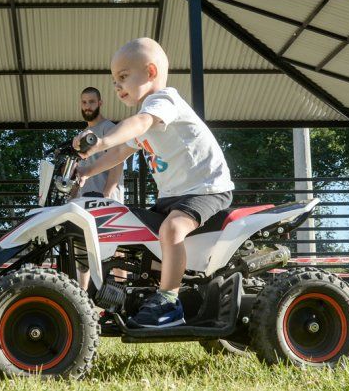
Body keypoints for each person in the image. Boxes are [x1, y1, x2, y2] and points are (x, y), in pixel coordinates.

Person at [74, 37, 234, 328]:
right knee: (133, 230)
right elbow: (121, 152)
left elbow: (138, 126)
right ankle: (131, 295)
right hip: (174, 195)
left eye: (123, 77)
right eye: (114, 81)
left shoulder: (162, 101)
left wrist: (101, 139)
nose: (117, 85)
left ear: (150, 72)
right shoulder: (146, 115)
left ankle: (170, 301)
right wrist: (87, 171)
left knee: (172, 228)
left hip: (206, 189)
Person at [76, 87, 125, 202]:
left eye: (92, 102)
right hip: (85, 200)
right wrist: (73, 197)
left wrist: (106, 195)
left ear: (100, 103)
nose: (88, 106)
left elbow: (118, 163)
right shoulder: (83, 134)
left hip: (106, 201)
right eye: (84, 102)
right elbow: (80, 169)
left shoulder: (109, 128)